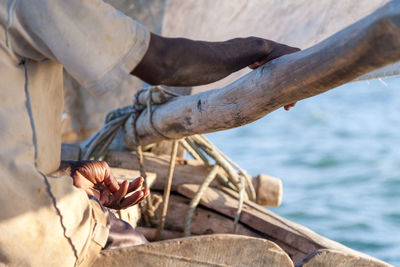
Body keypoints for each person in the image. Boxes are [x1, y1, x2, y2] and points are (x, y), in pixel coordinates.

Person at [0, 0, 298, 266]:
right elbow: (164, 62)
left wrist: (65, 172)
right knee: (132, 244)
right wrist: (260, 49)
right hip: (27, 241)